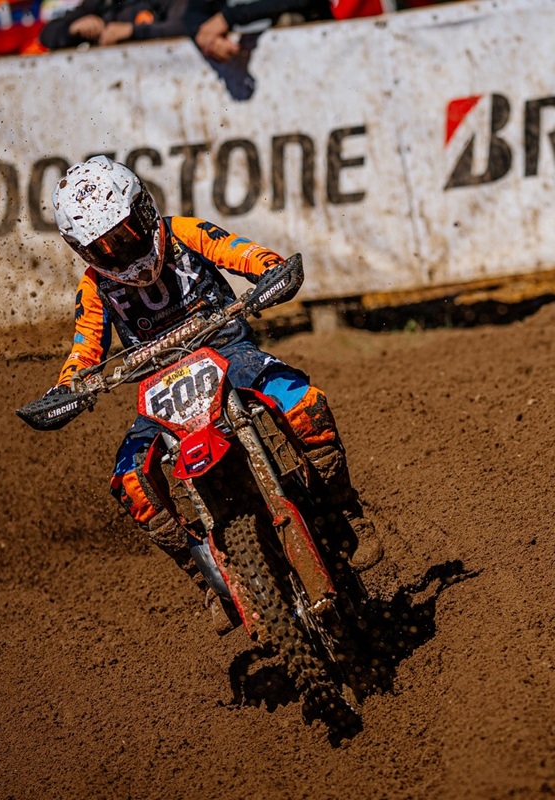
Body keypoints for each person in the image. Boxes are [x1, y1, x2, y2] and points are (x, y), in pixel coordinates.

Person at [41, 155, 383, 632]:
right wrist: (69, 387)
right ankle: (205, 575)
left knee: (305, 405)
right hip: (159, 386)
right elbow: (84, 348)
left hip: (229, 353)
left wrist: (269, 270)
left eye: (126, 233)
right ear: (85, 252)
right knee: (130, 482)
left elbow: (240, 252)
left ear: (144, 210)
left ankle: (344, 510)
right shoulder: (95, 287)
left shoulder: (183, 232)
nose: (120, 250)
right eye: (105, 247)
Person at [186, 0, 333, 63]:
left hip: (308, 56)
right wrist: (205, 37)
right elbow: (192, 14)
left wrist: (229, 17)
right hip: (243, 67)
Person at [38, 0, 189, 50]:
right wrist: (71, 29)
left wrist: (132, 32)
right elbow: (46, 35)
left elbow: (186, 26)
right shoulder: (102, 4)